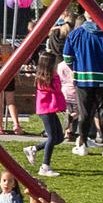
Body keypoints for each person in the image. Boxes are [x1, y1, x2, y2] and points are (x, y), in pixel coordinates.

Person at [63, 6, 103, 155]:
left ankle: (82, 144)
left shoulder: (75, 34)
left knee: (85, 113)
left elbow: (67, 57)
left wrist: (77, 68)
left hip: (83, 79)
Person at [23, 48, 65, 178]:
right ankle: (45, 166)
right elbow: (57, 89)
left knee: (59, 138)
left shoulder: (49, 78)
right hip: (45, 111)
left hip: (51, 110)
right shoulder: (45, 79)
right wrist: (57, 76)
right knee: (52, 137)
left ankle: (34, 149)